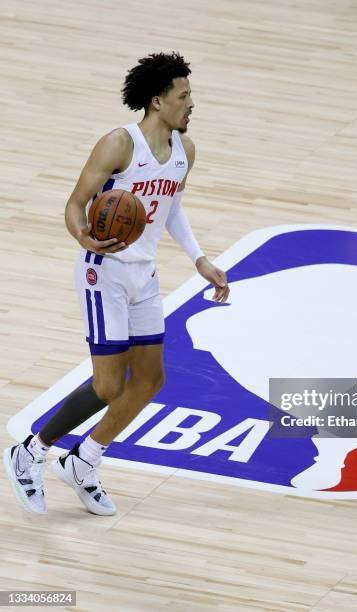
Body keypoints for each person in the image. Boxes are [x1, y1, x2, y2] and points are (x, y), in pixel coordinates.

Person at [3, 51, 229, 515]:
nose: (192, 104)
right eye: (184, 96)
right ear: (157, 101)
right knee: (108, 385)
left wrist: (200, 260)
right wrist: (83, 233)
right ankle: (30, 450)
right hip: (102, 272)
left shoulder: (185, 151)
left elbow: (172, 209)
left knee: (149, 380)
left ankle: (84, 459)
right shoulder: (119, 145)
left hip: (145, 276)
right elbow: (76, 202)